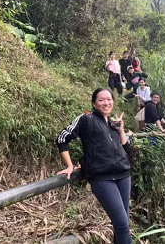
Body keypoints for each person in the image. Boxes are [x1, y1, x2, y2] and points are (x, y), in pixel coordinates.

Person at [56, 88, 132, 244]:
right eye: (101, 100)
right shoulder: (86, 119)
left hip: (123, 175)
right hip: (102, 178)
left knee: (122, 225)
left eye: (109, 99)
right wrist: (69, 165)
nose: (106, 103)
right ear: (94, 103)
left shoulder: (112, 124)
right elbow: (62, 138)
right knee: (123, 226)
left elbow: (126, 150)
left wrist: (121, 130)